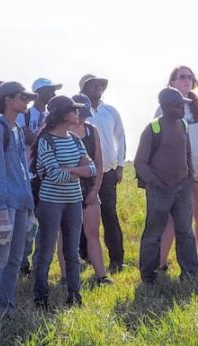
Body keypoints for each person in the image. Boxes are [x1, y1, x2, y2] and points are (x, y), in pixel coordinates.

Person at [34, 96, 96, 309]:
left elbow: (92, 169)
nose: (78, 113)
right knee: (45, 251)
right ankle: (40, 297)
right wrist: (79, 170)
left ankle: (74, 295)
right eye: (73, 110)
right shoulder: (46, 140)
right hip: (51, 202)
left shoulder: (75, 140)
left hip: (73, 201)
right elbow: (55, 175)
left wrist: (70, 170)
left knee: (72, 251)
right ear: (62, 114)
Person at [0, 81, 36, 310]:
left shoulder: (18, 130)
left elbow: (22, 169)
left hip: (20, 204)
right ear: (8, 100)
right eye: (23, 97)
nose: (27, 101)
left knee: (15, 259)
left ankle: (7, 307)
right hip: (4, 206)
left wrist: (29, 205)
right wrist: (0, 208)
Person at [135, 89, 197, 284]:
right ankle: (149, 277)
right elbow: (140, 162)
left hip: (182, 188)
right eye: (178, 105)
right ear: (165, 106)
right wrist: (156, 183)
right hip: (160, 190)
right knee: (153, 234)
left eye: (183, 104)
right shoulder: (153, 129)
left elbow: (187, 152)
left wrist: (190, 174)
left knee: (185, 231)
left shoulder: (183, 125)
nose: (182, 108)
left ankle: (190, 273)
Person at [158, 66, 198, 264]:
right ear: (172, 81)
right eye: (182, 77)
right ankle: (160, 262)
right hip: (176, 172)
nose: (187, 80)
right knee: (172, 218)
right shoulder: (163, 107)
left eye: (190, 77)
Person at [79, 74, 127, 272]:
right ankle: (84, 258)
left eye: (100, 84)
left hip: (107, 171)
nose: (98, 87)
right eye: (93, 85)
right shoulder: (78, 112)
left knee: (110, 215)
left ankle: (117, 259)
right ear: (84, 89)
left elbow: (121, 138)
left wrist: (120, 166)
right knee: (82, 217)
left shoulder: (110, 111)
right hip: (83, 174)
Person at [70, 93, 108, 284]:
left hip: (90, 188)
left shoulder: (92, 131)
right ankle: (66, 276)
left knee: (93, 233)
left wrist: (95, 190)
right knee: (66, 235)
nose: (83, 118)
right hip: (67, 188)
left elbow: (99, 163)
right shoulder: (61, 131)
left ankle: (101, 275)